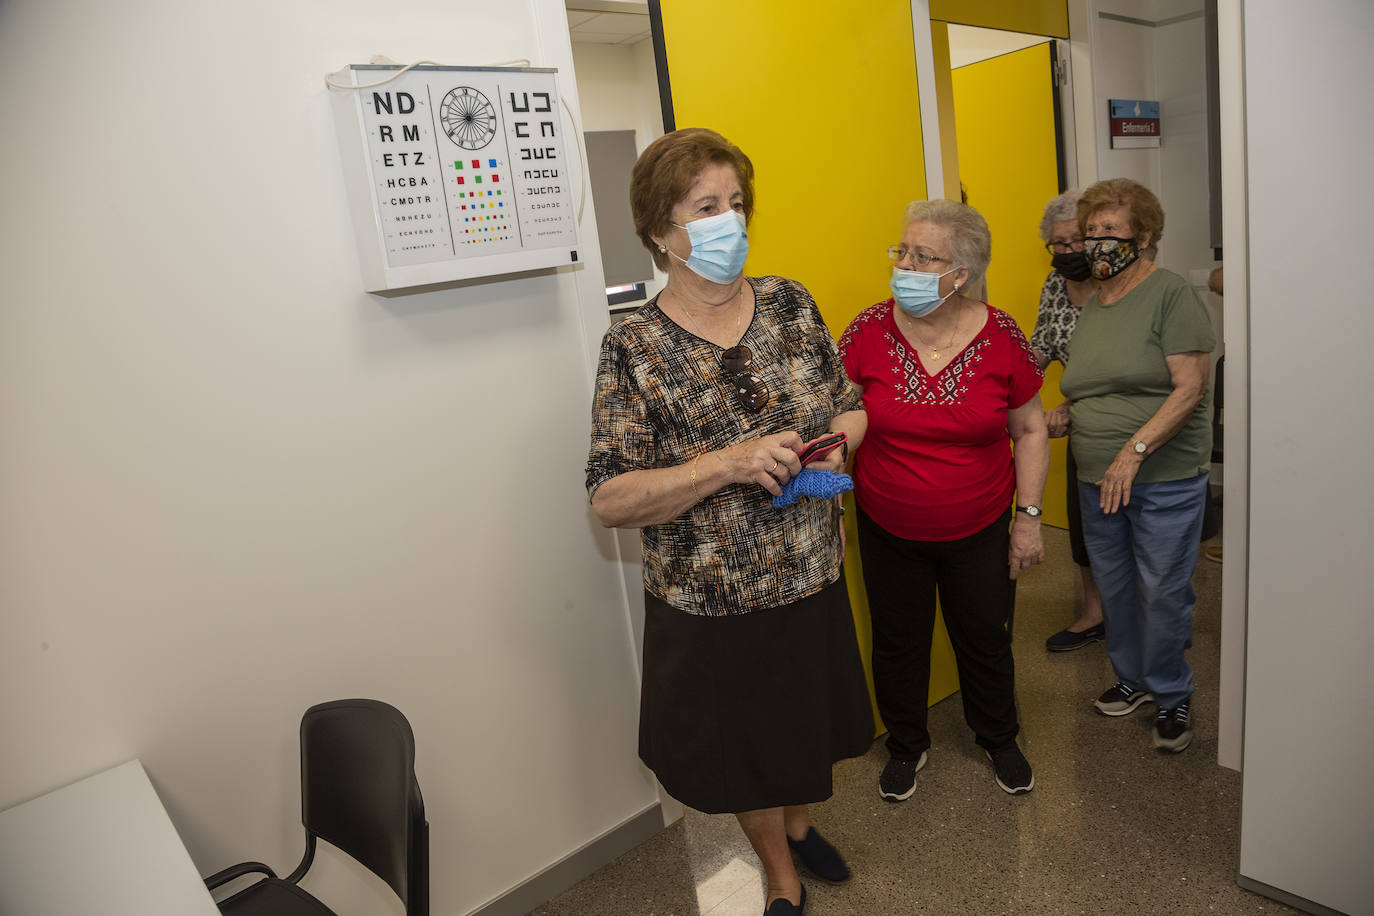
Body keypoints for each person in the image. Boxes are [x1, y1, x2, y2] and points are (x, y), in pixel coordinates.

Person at [585, 128, 873, 916]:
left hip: (810, 572)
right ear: (658, 233)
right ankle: (781, 876)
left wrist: (833, 447)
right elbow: (609, 497)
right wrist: (727, 463)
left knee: (804, 734)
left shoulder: (788, 302)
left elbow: (853, 409)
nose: (728, 221)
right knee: (751, 754)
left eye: (735, 203)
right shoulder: (635, 345)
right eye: (705, 207)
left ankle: (803, 823)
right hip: (718, 603)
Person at [838, 199, 1049, 801]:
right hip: (887, 523)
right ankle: (906, 745)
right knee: (898, 641)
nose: (904, 264)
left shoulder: (1003, 335)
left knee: (985, 638)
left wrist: (1028, 520)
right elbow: (840, 417)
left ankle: (999, 737)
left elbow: (1030, 430)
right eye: (900, 251)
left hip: (979, 525)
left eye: (922, 255)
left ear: (960, 274)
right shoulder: (866, 331)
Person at [1059, 178, 1216, 753]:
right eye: (1090, 231)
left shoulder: (1170, 293)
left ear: (1144, 236)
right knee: (1118, 587)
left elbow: (1189, 387)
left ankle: (1173, 693)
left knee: (1161, 589)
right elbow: (1096, 390)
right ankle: (1134, 680)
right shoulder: (1097, 306)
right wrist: (1060, 416)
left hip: (1162, 478)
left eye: (1110, 230)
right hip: (1095, 478)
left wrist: (1134, 450)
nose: (1097, 242)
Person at [1029, 190, 1108, 651]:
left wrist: (1070, 410)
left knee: (1131, 534)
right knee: (1085, 530)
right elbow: (1040, 347)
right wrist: (1015, 395)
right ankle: (1095, 613)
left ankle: (1145, 622)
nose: (1069, 252)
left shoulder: (1118, 287)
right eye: (1059, 244)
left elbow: (1125, 371)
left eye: (1077, 240)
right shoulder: (1055, 286)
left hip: (1128, 429)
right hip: (1083, 439)